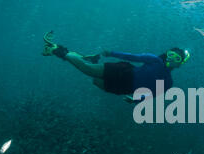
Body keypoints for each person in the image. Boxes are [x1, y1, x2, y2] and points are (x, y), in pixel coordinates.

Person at [42, 31, 190, 103]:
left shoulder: (168, 82)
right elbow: (133, 57)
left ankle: (81, 56)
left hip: (125, 88)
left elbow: (153, 94)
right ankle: (56, 49)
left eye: (176, 57)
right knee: (87, 70)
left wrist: (136, 100)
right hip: (124, 72)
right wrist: (111, 53)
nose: (171, 58)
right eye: (170, 54)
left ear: (180, 63)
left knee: (95, 80)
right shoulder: (155, 60)